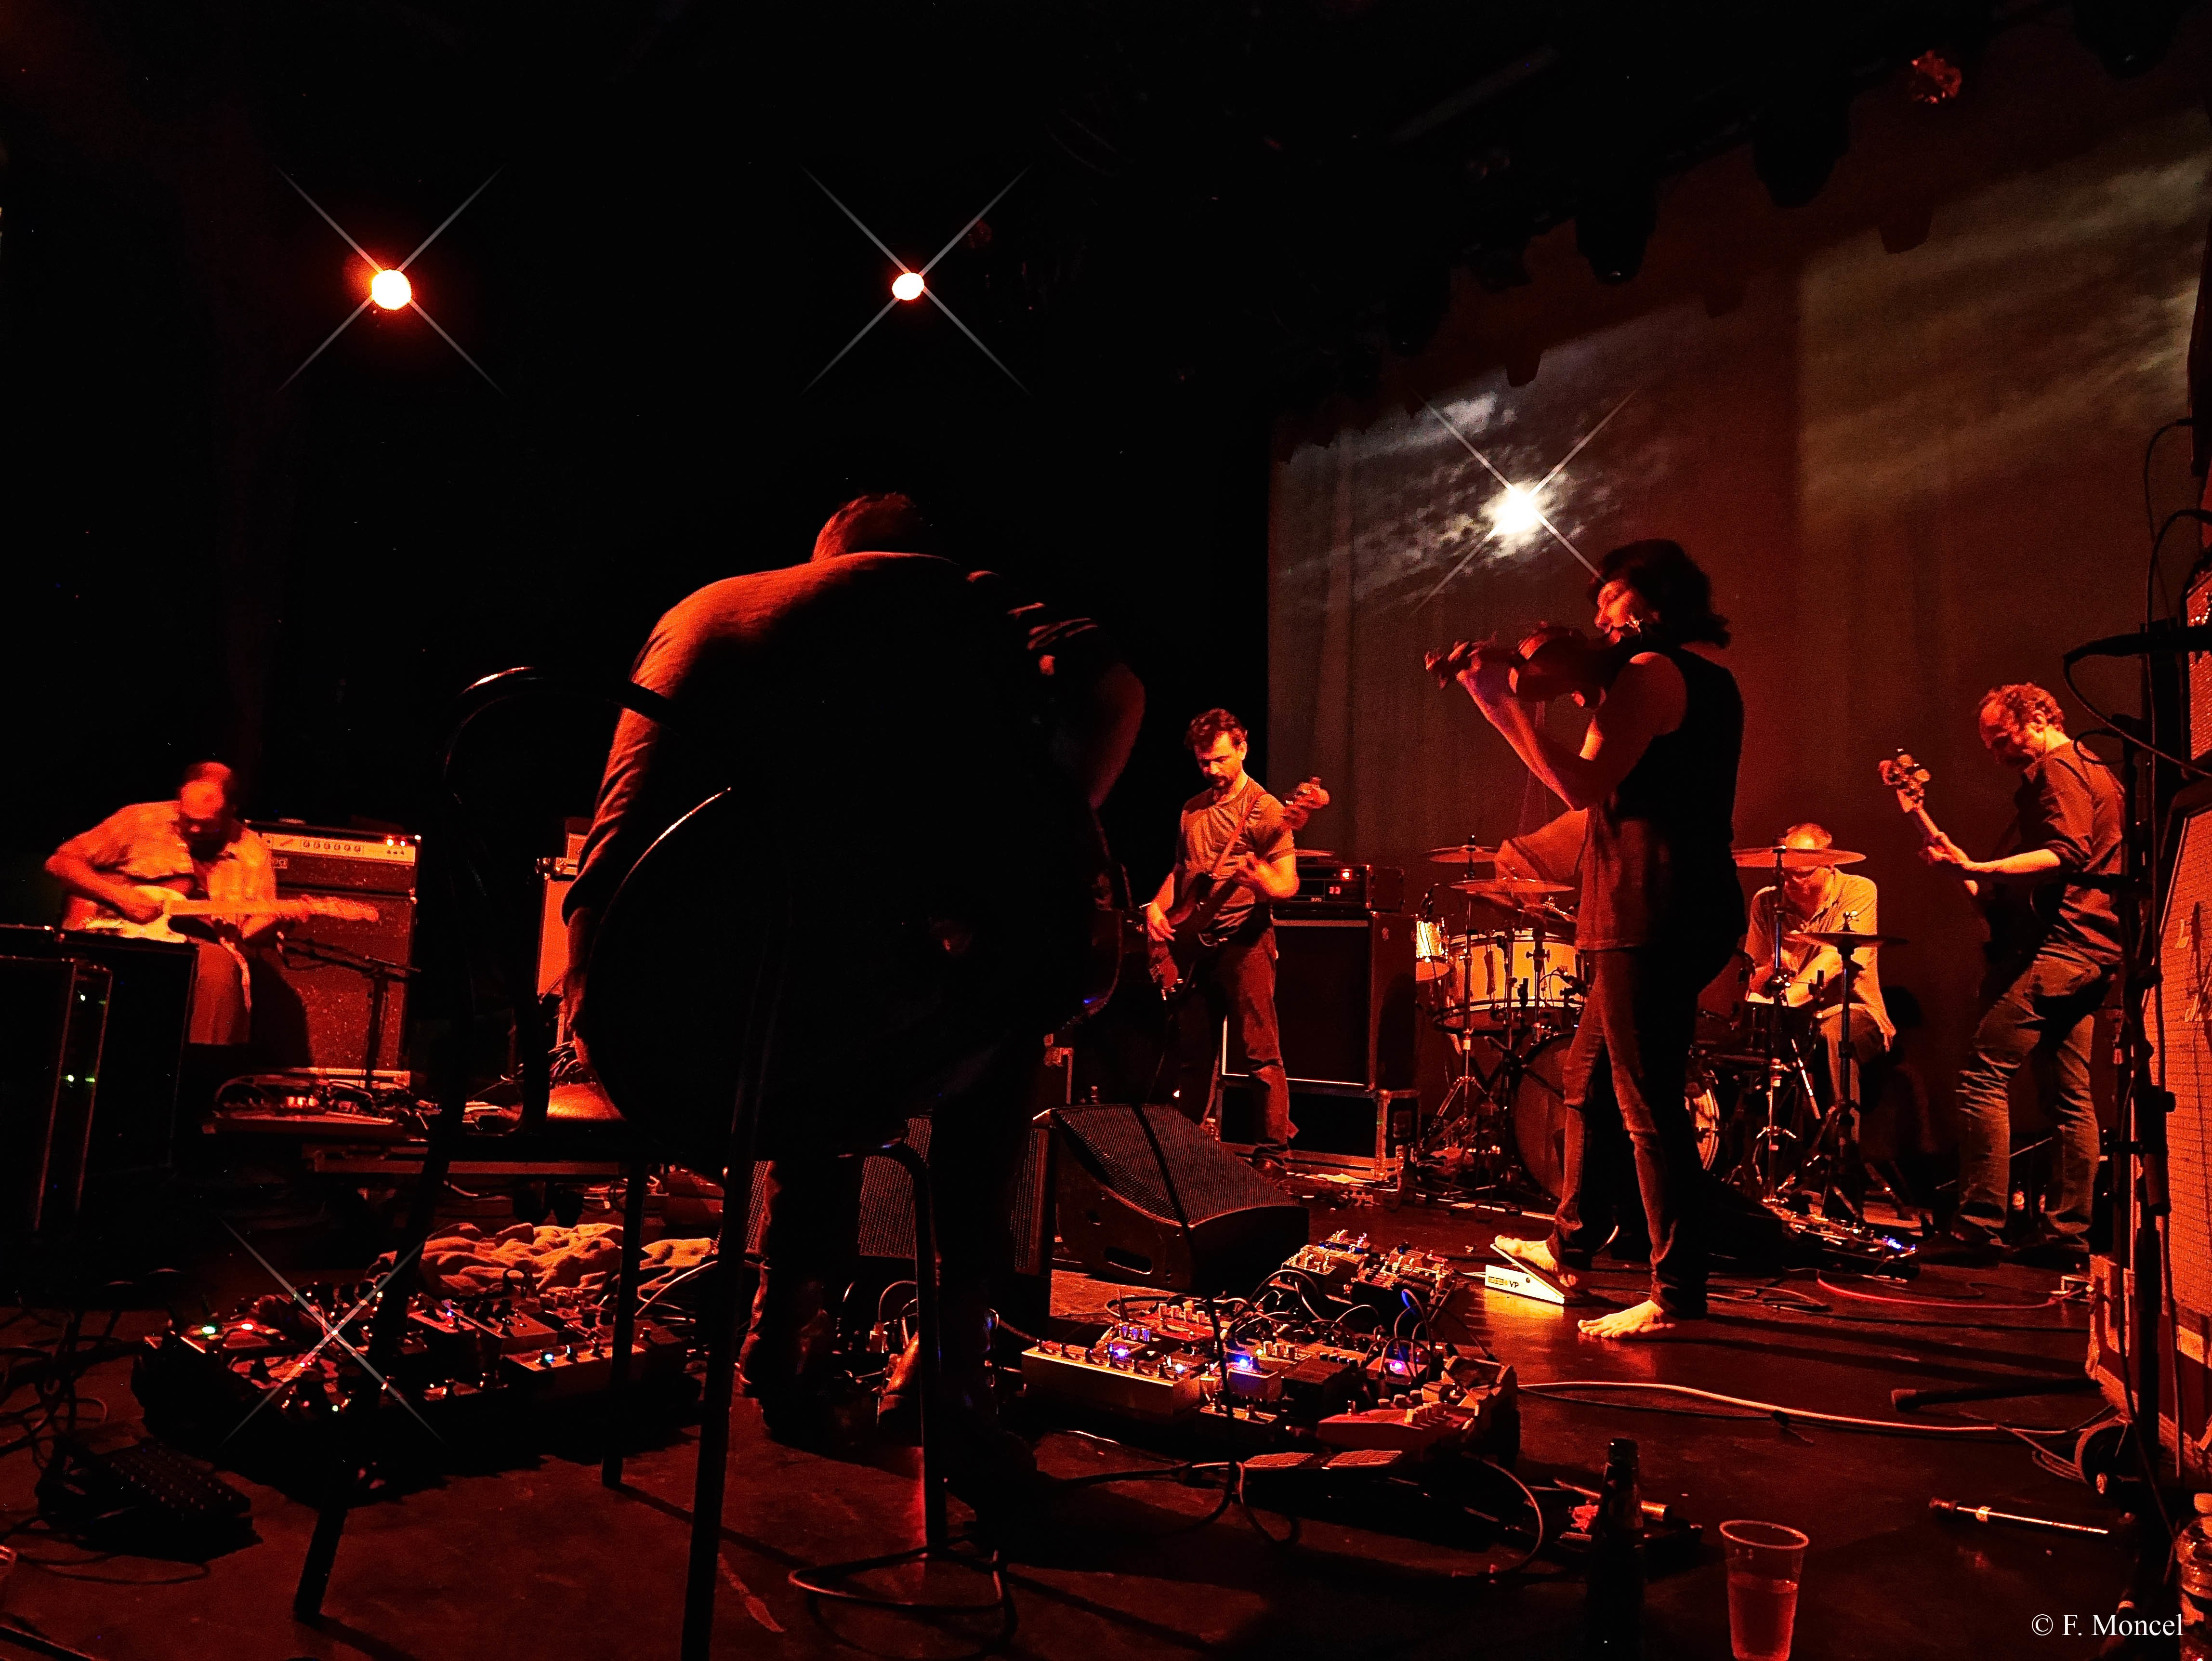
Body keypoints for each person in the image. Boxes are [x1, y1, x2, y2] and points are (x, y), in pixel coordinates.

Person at [562, 492, 1144, 1491]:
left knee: (821, 993)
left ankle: (786, 1335)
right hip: (775, 1052)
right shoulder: (938, 603)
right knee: (1005, 1028)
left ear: (818, 561)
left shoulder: (704, 607)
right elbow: (1109, 699)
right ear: (915, 562)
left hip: (627, 1037)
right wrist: (1055, 817)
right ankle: (956, 1372)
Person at [1466, 540, 1744, 1340]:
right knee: (1585, 1077)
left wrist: (1503, 707)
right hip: (1674, 900)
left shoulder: (1651, 674)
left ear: (1648, 610)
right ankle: (1570, 1242)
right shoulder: (1700, 680)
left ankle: (1676, 1291)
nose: (1596, 623)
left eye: (1608, 608)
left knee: (1646, 1103)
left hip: (1649, 905)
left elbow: (1581, 784)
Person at [1918, 683, 2120, 1270]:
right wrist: (1968, 867)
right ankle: (2064, 1236)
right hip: (2094, 949)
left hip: (2062, 949)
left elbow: (2067, 852)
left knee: (1982, 1072)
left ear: (2033, 719)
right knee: (2069, 1097)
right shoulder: (2094, 769)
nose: (1996, 753)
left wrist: (1981, 864)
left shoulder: (2057, 769)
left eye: (2001, 739)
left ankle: (1977, 1228)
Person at [1143, 709, 1301, 1160]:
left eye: (1218, 759)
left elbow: (1287, 882)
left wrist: (1262, 882)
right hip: (1194, 945)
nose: (1211, 770)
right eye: (1203, 762)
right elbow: (1181, 872)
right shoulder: (1192, 810)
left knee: (1260, 1053)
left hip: (1245, 941)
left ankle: (1273, 1153)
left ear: (1243, 748)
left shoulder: (1268, 810)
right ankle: (1183, 1152)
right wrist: (1156, 906)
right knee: (1194, 1056)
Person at [47, 761, 279, 1047]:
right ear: (179, 796)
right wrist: (120, 897)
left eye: (206, 823)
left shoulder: (252, 852)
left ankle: (201, 1070)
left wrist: (278, 918)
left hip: (201, 946)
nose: (194, 828)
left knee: (220, 972)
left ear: (232, 810)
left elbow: (252, 932)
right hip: (113, 932)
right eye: (187, 818)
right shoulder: (140, 819)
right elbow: (60, 863)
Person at [1742, 821, 1893, 1195]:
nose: (1791, 883)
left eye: (1803, 874)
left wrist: (1791, 996)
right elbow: (1755, 979)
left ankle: (1842, 1161)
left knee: (1829, 1035)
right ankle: (1749, 1166)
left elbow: (1838, 957)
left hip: (1855, 1013)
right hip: (1793, 1020)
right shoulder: (1767, 901)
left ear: (1829, 865)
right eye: (1786, 874)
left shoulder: (1857, 891)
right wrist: (1769, 971)